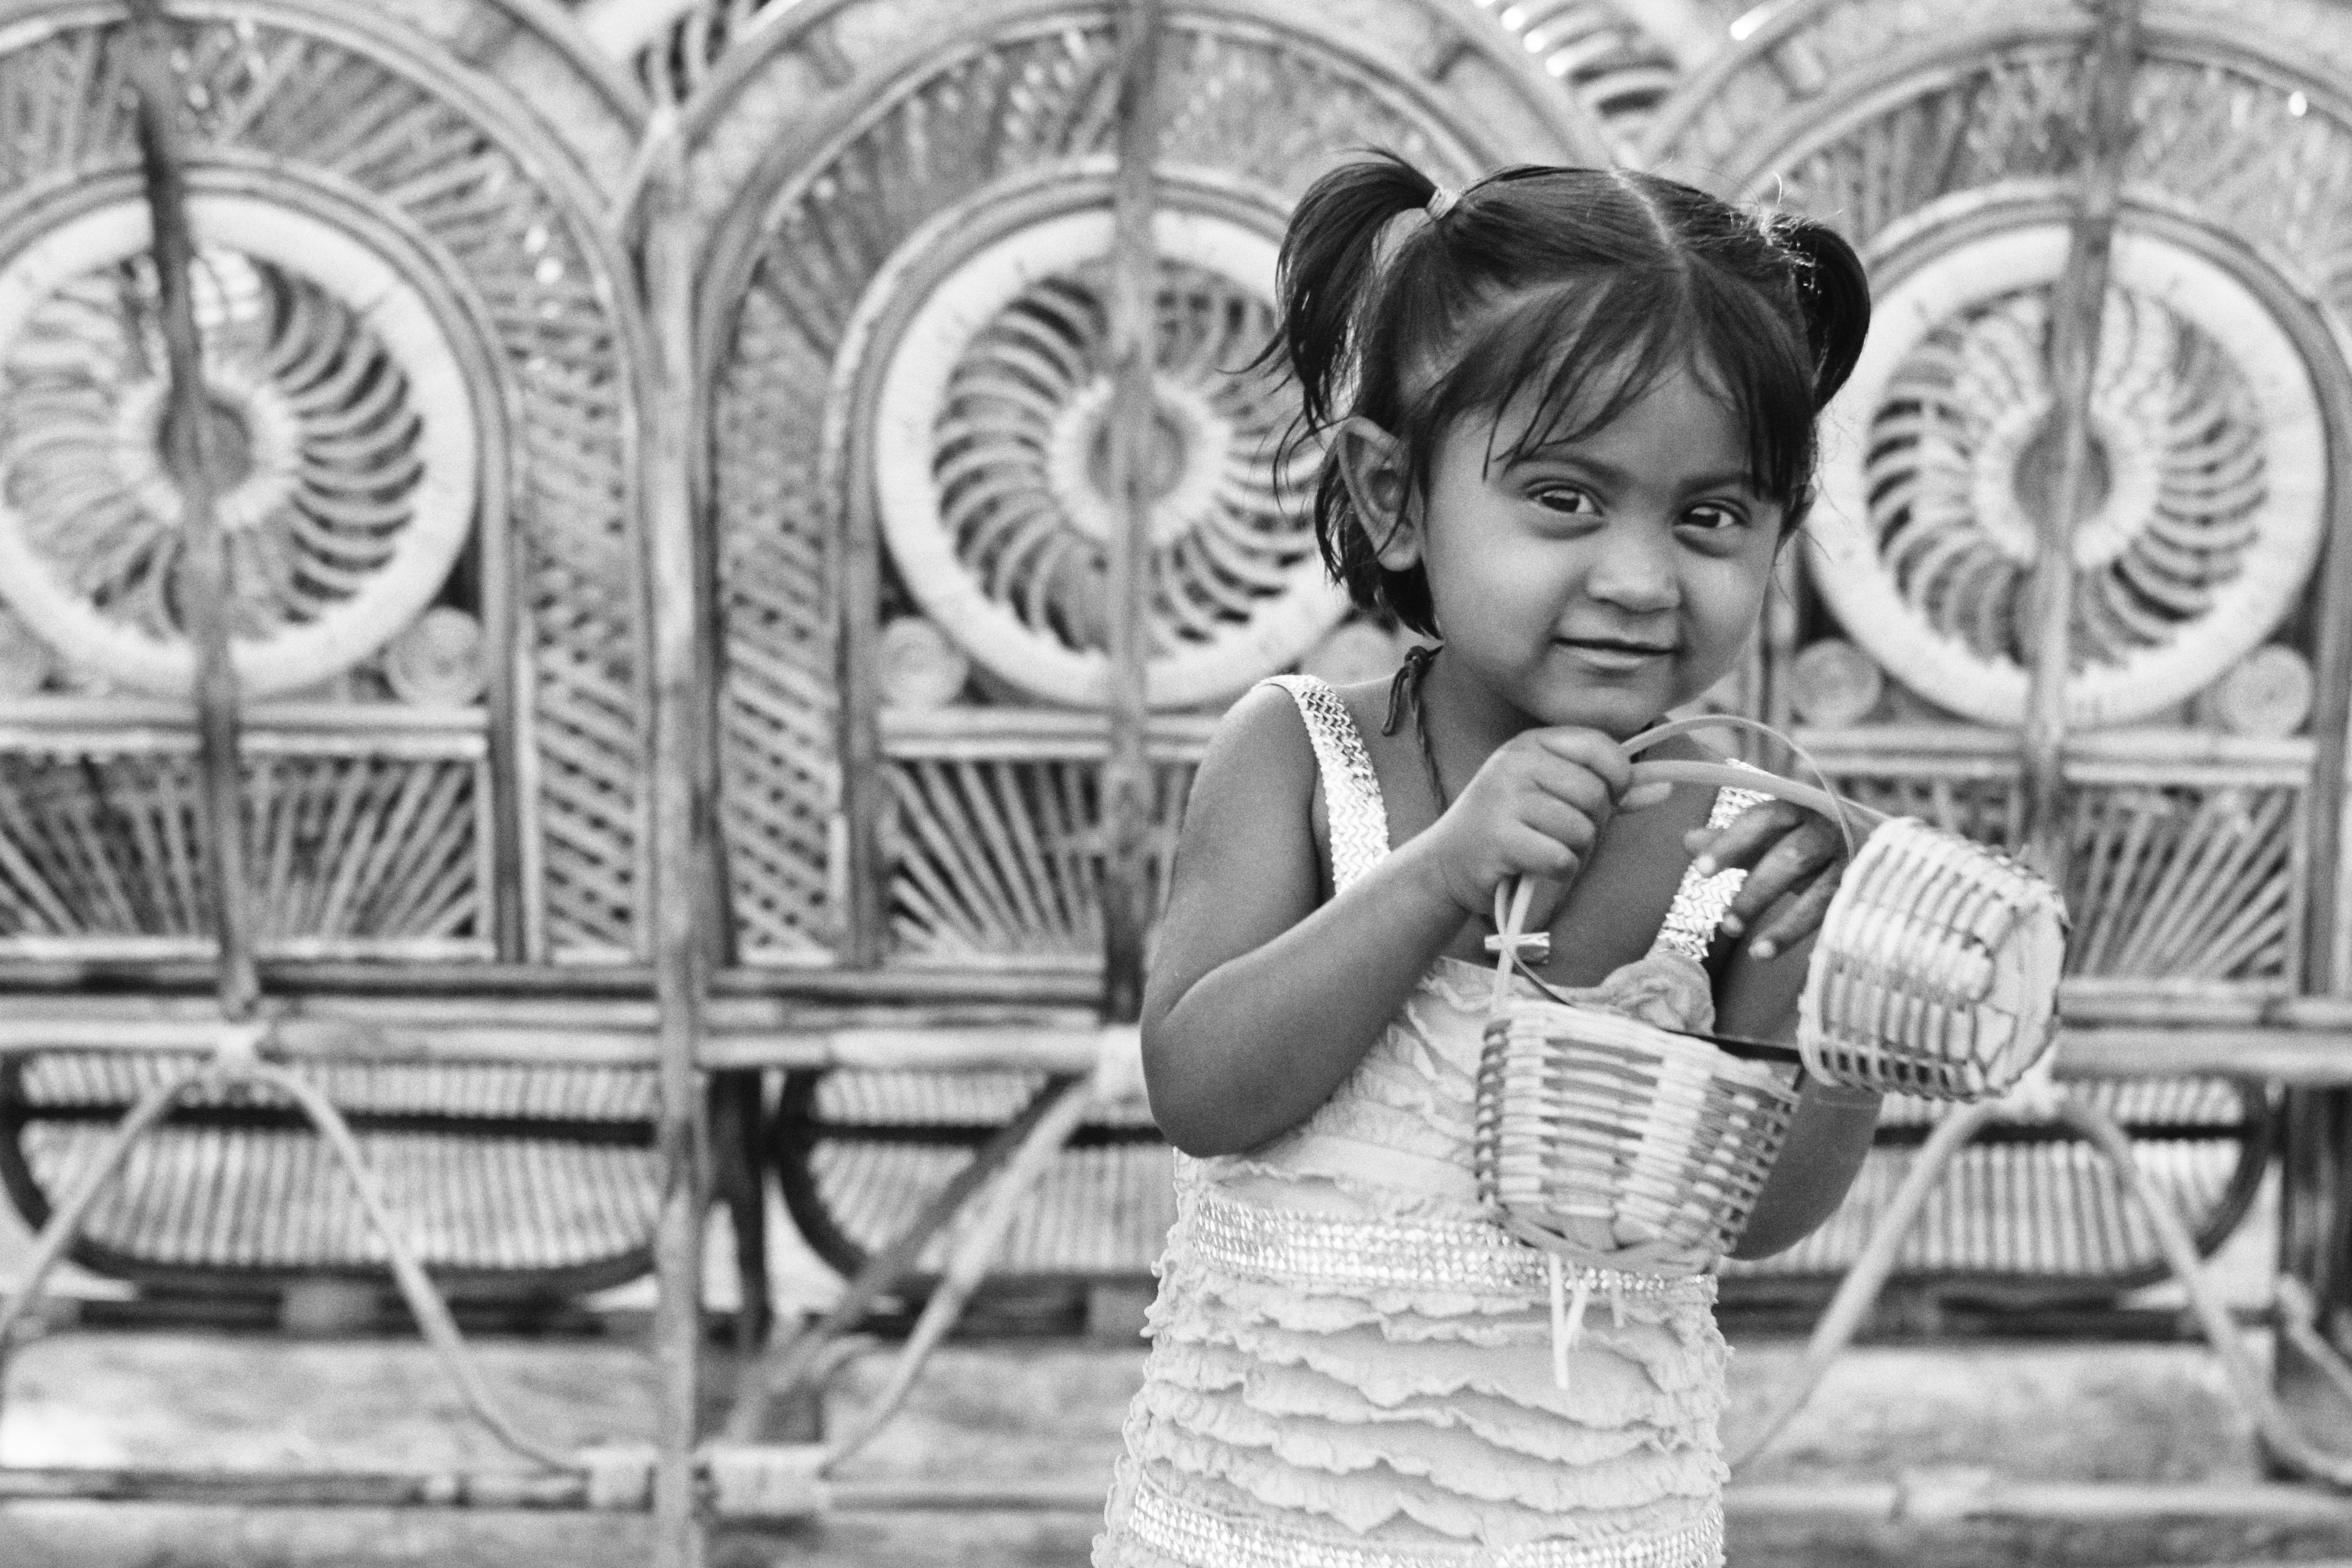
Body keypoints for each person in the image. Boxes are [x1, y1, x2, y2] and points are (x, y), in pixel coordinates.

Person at [1094, 154, 1883, 1568]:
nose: (1642, 579)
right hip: (1256, 1521)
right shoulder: (1303, 759)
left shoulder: (1744, 836)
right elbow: (1201, 1090)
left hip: (1589, 1525)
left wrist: (1853, 1007)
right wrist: (1440, 871)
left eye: (1712, 517)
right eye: (1567, 501)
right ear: (1394, 497)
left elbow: (1762, 1217)